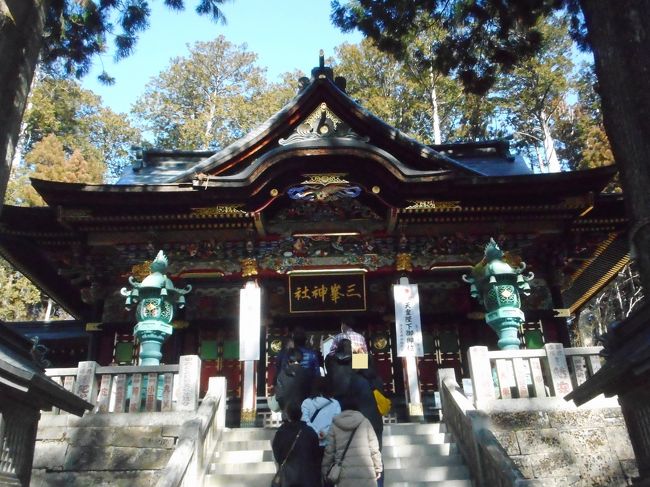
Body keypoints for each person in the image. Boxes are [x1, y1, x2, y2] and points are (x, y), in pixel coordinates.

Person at [322, 396, 382, 487]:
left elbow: (329, 451)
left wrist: (325, 469)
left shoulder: (335, 424)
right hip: (365, 471)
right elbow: (374, 448)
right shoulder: (365, 422)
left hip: (344, 473)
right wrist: (378, 468)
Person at [271, 400, 322, 487]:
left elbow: (277, 453)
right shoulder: (310, 432)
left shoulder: (281, 432)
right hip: (308, 476)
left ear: (287, 415)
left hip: (288, 477)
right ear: (301, 414)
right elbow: (316, 455)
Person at [301, 376, 341, 460]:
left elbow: (305, 421)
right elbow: (337, 422)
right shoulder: (335, 403)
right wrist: (325, 433)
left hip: (311, 443)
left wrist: (316, 433)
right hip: (329, 444)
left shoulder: (306, 403)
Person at [275, 348, 311, 413]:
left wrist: (285, 409)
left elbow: (279, 397)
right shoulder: (308, 374)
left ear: (288, 359)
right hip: (305, 413)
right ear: (301, 358)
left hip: (287, 413)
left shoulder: (282, 375)